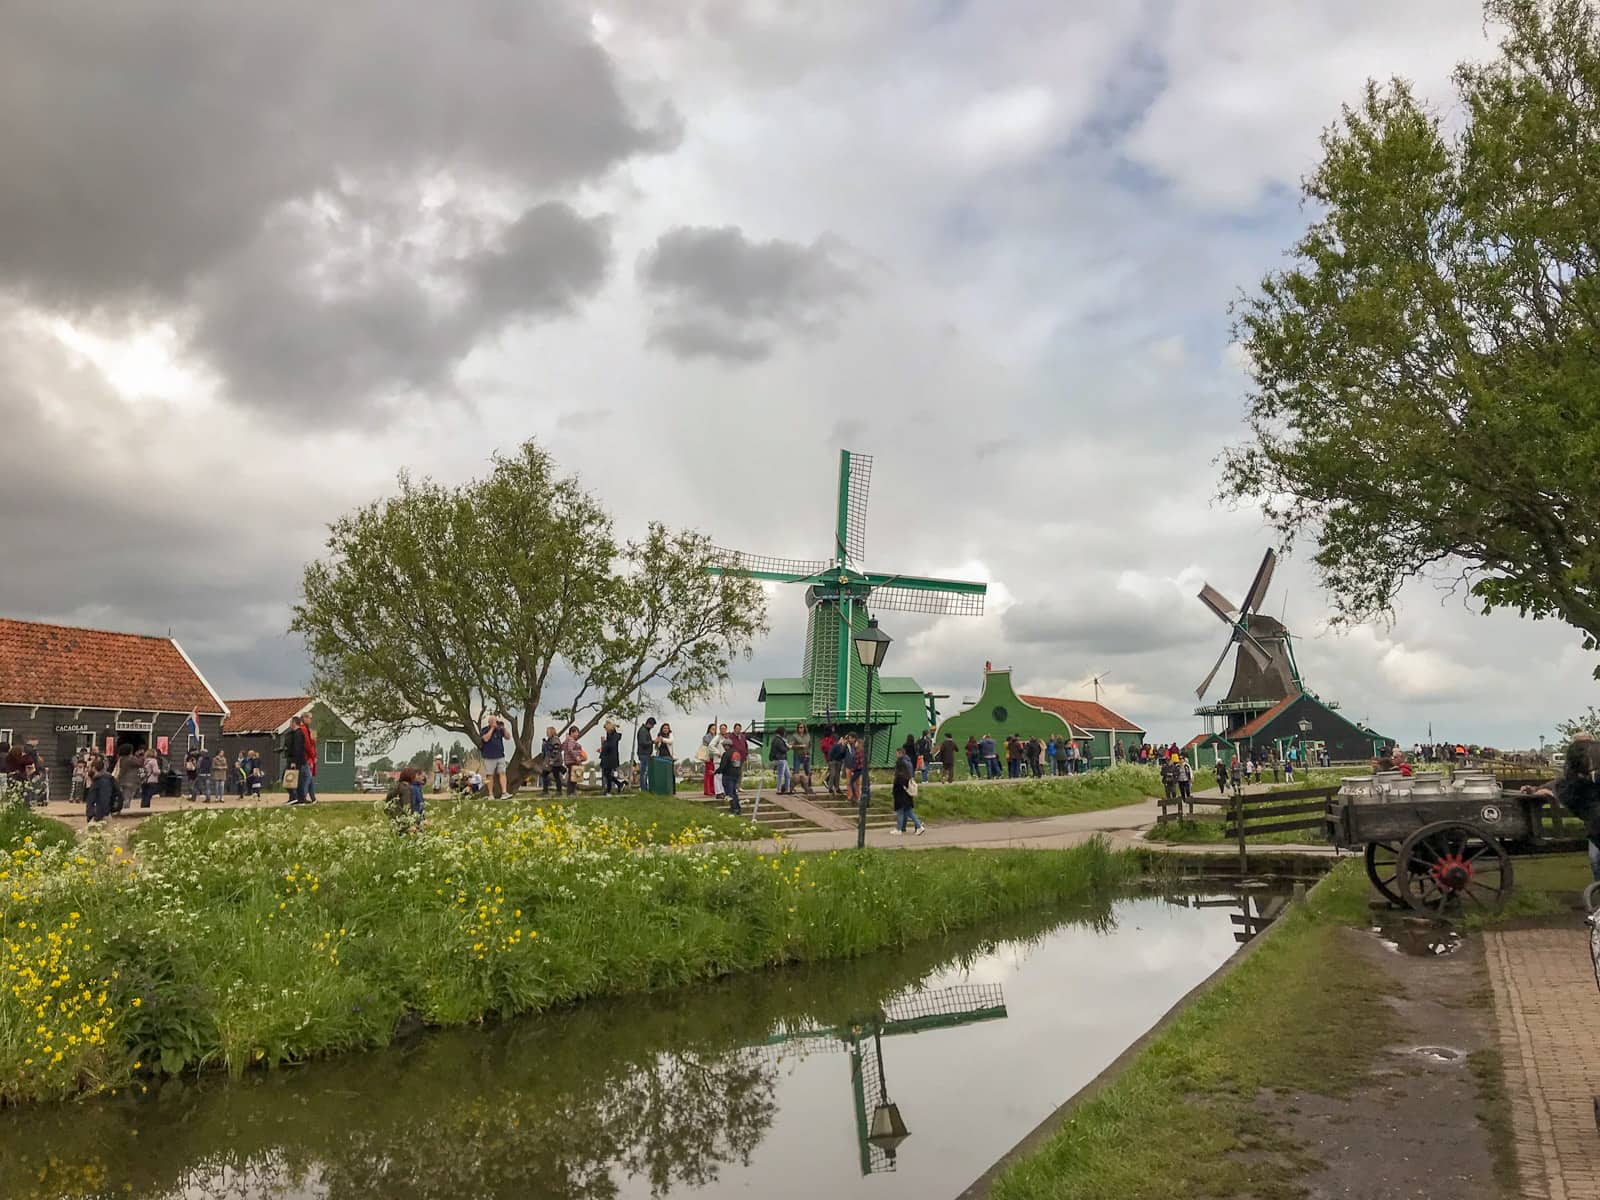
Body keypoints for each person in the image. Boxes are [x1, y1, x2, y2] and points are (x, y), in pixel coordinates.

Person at [1526, 733, 1600, 879]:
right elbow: (1563, 783)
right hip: (1595, 824)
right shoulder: (1574, 773)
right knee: (1595, 858)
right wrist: (1538, 790)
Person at [892, 744, 926, 835]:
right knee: (908, 811)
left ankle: (900, 829)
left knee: (900, 810)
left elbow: (899, 783)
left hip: (901, 793)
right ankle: (919, 826)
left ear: (900, 753)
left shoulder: (900, 768)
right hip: (908, 791)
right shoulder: (908, 762)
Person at [480, 715, 510, 799]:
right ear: (489, 722)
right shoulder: (484, 730)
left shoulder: (499, 730)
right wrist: (492, 729)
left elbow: (508, 737)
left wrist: (503, 728)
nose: (495, 723)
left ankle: (504, 793)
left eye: (495, 721)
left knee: (502, 773)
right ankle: (490, 794)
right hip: (489, 756)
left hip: (500, 755)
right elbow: (485, 739)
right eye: (493, 721)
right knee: (489, 775)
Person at [284, 715, 310, 805]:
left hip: (296, 761)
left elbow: (297, 748)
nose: (290, 724)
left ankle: (296, 797)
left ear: (294, 723)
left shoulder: (298, 734)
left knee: (289, 778)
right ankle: (297, 798)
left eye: (291, 722)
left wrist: (294, 761)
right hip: (294, 759)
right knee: (297, 780)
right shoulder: (294, 733)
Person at [84, 759, 116, 824]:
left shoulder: (102, 781)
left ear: (93, 768)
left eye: (89, 767)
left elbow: (104, 799)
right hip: (99, 814)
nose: (87, 769)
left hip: (100, 816)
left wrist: (96, 815)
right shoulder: (102, 779)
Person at [719, 735, 742, 815]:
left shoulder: (726, 754)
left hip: (728, 776)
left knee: (729, 793)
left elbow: (723, 766)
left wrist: (716, 772)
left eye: (724, 746)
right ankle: (737, 808)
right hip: (736, 775)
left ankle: (734, 808)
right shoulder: (737, 753)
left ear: (726, 746)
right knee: (734, 792)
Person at [792, 721, 815, 796]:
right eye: (799, 727)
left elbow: (810, 745)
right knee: (796, 771)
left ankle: (808, 787)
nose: (800, 729)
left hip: (806, 755)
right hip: (798, 755)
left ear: (804, 728)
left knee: (808, 771)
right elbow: (791, 746)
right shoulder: (795, 736)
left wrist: (809, 752)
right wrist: (800, 746)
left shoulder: (807, 735)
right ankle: (792, 787)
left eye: (802, 727)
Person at [600, 720, 623, 795]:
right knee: (607, 774)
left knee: (607, 773)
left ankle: (609, 789)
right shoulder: (610, 735)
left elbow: (611, 745)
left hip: (610, 757)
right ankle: (617, 785)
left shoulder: (614, 736)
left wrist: (604, 744)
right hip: (608, 756)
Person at [561, 725, 585, 797]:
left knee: (573, 777)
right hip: (572, 761)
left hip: (569, 761)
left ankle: (571, 792)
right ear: (572, 732)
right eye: (577, 732)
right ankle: (571, 792)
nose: (578, 734)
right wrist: (577, 757)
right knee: (573, 778)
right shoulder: (571, 740)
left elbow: (563, 747)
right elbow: (570, 750)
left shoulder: (567, 740)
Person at [770, 726, 791, 794]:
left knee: (787, 774)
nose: (785, 733)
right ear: (782, 732)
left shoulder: (776, 739)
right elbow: (783, 749)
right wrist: (788, 748)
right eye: (784, 732)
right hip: (780, 759)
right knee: (781, 775)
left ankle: (787, 789)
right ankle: (779, 789)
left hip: (782, 759)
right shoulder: (778, 740)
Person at [636, 718, 656, 787]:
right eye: (652, 725)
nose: (652, 727)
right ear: (649, 724)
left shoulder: (645, 730)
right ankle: (643, 788)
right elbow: (643, 743)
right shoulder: (643, 731)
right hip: (644, 754)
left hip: (645, 754)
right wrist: (653, 742)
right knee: (644, 772)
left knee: (644, 772)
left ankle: (645, 787)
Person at [699, 723, 718, 796]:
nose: (713, 730)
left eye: (714, 729)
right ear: (709, 729)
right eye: (712, 729)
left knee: (713, 774)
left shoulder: (716, 736)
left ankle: (713, 789)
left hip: (714, 757)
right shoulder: (706, 737)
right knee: (708, 774)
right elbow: (710, 745)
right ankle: (707, 790)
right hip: (708, 757)